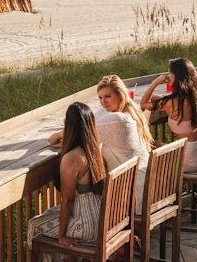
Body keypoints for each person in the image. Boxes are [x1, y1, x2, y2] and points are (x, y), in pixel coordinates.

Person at [49, 74, 153, 215]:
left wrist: (62, 133)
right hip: (146, 186)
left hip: (132, 195)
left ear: (120, 96)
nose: (103, 102)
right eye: (100, 97)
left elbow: (56, 138)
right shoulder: (130, 113)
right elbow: (89, 124)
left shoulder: (117, 120)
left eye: (108, 96)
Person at [27, 102, 106, 261]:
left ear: (68, 125)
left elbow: (68, 200)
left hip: (85, 223)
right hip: (101, 217)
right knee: (50, 215)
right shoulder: (95, 148)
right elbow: (52, 140)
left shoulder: (72, 159)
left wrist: (62, 236)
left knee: (34, 226)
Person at [141, 58, 197, 172]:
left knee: (148, 143)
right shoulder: (196, 96)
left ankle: (158, 187)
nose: (168, 75)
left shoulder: (171, 103)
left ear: (177, 76)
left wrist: (155, 82)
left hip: (187, 163)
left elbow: (143, 103)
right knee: (155, 144)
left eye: (170, 72)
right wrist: (161, 99)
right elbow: (174, 103)